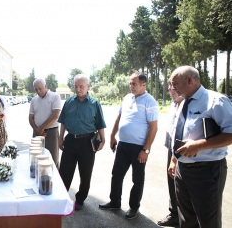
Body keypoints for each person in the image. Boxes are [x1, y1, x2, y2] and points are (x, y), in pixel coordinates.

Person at [168, 66, 232, 228]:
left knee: (207, 221)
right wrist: (175, 160)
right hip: (183, 170)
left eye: (175, 83)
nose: (172, 87)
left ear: (189, 80)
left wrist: (200, 145)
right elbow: (180, 134)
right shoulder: (183, 102)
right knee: (186, 220)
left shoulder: (215, 101)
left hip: (207, 171)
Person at [99, 72, 159, 220]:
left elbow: (153, 128)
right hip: (123, 145)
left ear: (143, 84)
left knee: (137, 179)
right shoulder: (127, 98)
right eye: (130, 83)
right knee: (117, 174)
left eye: (134, 84)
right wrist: (113, 136)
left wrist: (146, 149)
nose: (131, 86)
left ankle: (134, 207)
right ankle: (115, 202)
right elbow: (119, 117)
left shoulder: (150, 102)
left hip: (139, 147)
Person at [58, 74, 106, 210]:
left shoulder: (95, 103)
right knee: (64, 171)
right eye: (76, 86)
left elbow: (100, 123)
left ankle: (80, 199)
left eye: (81, 86)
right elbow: (62, 122)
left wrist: (103, 139)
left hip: (87, 142)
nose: (78, 89)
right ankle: (62, 196)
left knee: (85, 173)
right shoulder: (68, 102)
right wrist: (60, 138)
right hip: (70, 141)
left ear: (88, 87)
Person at [157, 80, 183, 227]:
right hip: (172, 149)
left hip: (185, 151)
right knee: (171, 181)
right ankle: (174, 214)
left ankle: (186, 218)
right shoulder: (173, 105)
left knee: (184, 186)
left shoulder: (188, 104)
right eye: (169, 87)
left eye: (175, 87)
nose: (172, 90)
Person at [29, 78, 61, 166]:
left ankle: (53, 178)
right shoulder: (34, 100)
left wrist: (41, 128)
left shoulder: (55, 96)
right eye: (36, 89)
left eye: (40, 88)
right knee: (36, 158)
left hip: (51, 133)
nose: (38, 91)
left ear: (45, 86)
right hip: (37, 132)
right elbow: (31, 117)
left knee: (52, 159)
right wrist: (37, 130)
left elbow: (55, 115)